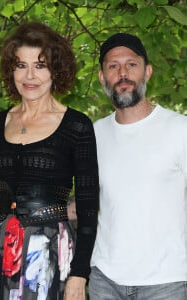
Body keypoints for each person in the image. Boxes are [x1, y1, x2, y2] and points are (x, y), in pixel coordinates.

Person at [0, 22, 99, 300]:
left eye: (40, 65)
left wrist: (79, 274)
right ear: (11, 71)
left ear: (56, 70)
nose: (30, 75)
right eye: (21, 65)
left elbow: (88, 209)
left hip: (49, 254)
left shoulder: (76, 126)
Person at [89, 33, 187, 299]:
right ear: (102, 77)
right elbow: (91, 201)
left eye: (131, 64)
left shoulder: (180, 129)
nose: (123, 73)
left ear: (147, 72)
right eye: (113, 66)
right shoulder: (94, 134)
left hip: (167, 281)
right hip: (104, 280)